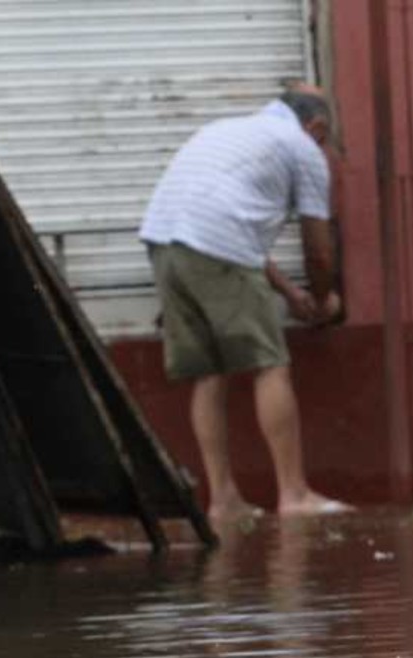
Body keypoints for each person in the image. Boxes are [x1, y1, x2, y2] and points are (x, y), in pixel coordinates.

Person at [140, 86, 349, 524]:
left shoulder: (229, 130)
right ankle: (294, 494)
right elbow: (318, 250)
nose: (324, 149)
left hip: (164, 243)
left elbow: (235, 231)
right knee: (270, 365)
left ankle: (223, 500)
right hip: (214, 244)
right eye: (326, 140)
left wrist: (289, 294)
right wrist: (322, 299)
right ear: (316, 127)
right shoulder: (302, 148)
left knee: (209, 372)